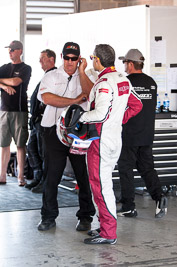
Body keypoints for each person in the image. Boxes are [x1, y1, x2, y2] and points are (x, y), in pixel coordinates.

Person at [78, 44, 142, 245]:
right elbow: (136, 105)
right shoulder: (123, 79)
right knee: (103, 185)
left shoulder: (104, 82)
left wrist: (80, 117)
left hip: (100, 142)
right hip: (115, 139)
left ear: (97, 59)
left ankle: (108, 232)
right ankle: (104, 226)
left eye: (92, 58)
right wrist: (118, 119)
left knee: (100, 186)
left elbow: (101, 114)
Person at [37, 42, 95, 231]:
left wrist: (83, 72)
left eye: (74, 58)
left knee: (82, 175)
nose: (70, 62)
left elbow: (91, 95)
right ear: (62, 57)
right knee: (51, 176)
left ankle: (86, 216)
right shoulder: (51, 76)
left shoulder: (86, 76)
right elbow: (47, 98)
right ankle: (48, 217)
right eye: (67, 58)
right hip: (53, 132)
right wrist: (75, 100)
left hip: (79, 133)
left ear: (79, 59)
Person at [117, 49, 168, 218]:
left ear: (131, 64)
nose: (124, 66)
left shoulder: (125, 82)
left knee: (126, 170)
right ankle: (159, 197)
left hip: (129, 135)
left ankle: (128, 206)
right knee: (147, 168)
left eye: (125, 63)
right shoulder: (152, 82)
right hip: (146, 135)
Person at [0, 40, 31, 186]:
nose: (10, 52)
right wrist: (4, 86)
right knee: (4, 144)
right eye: (9, 49)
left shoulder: (26, 68)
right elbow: (9, 84)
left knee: (20, 144)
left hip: (20, 111)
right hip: (4, 110)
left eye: (13, 49)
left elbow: (16, 82)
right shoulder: (4, 68)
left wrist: (6, 83)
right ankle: (2, 176)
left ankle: (20, 177)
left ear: (20, 51)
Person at [25, 49, 57, 193]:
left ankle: (45, 181)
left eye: (42, 58)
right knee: (31, 148)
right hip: (37, 121)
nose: (40, 61)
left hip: (45, 121)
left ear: (51, 59)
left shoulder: (55, 76)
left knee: (43, 152)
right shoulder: (46, 76)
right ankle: (38, 176)